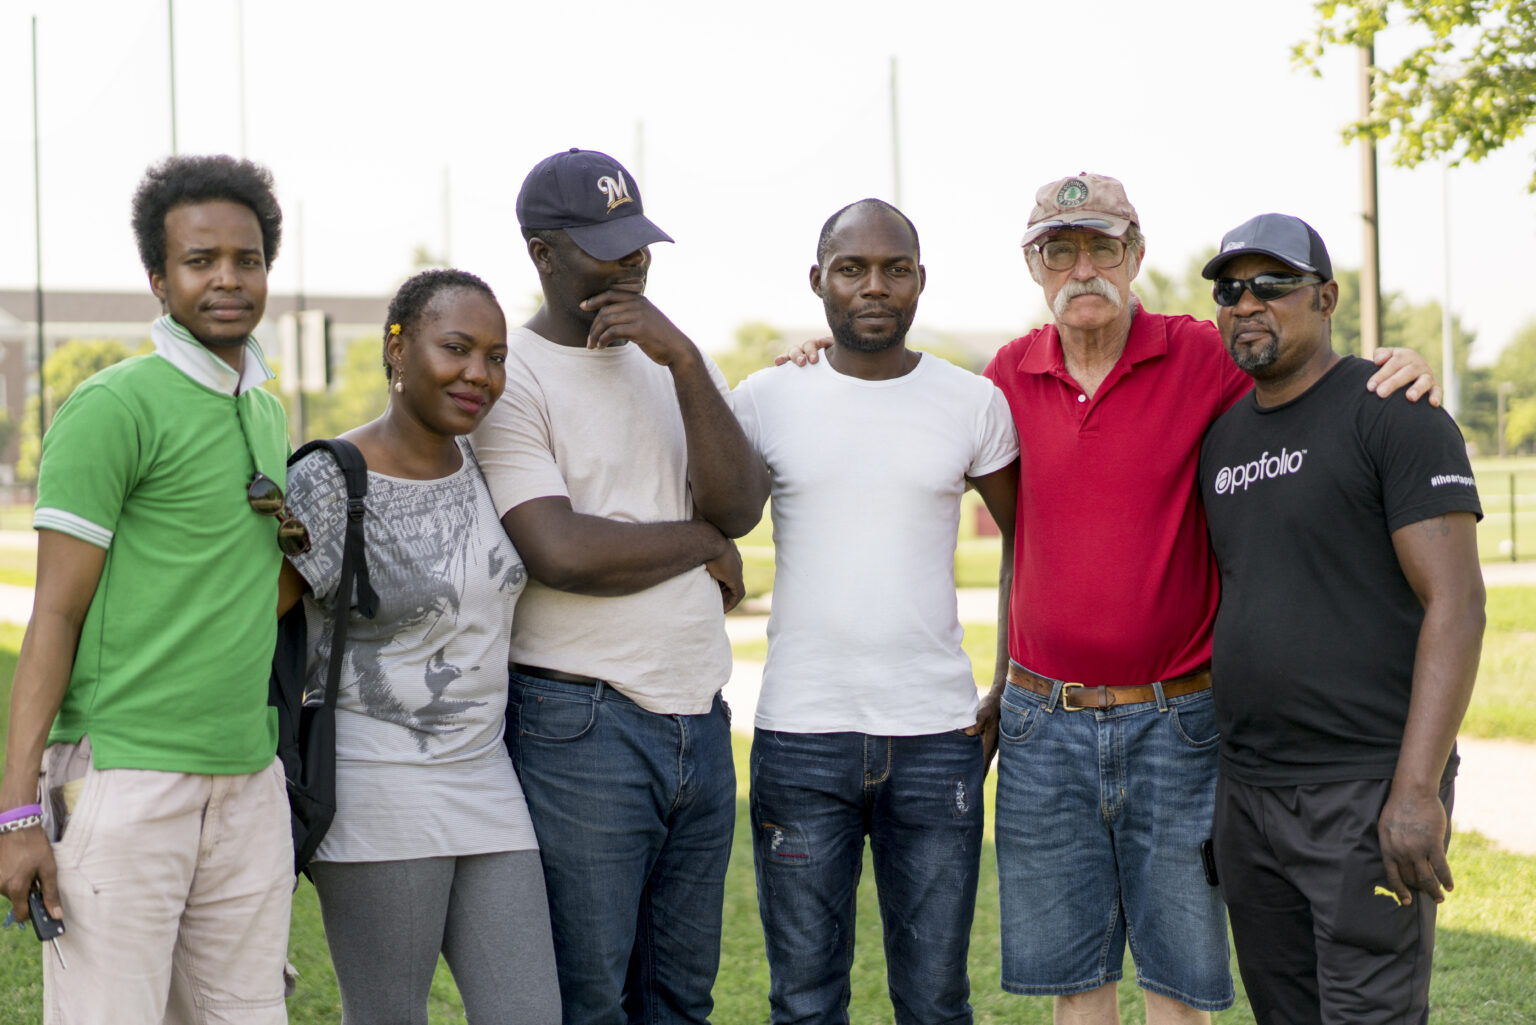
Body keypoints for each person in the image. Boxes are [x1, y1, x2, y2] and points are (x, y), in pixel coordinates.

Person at [787, 173, 1439, 1025]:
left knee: (1180, 979)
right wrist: (817, 361)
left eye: (1103, 246)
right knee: (1076, 978)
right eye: (1061, 250)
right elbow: (1024, 540)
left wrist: (1391, 366)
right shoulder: (1005, 378)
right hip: (1041, 725)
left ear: (1135, 255)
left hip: (1179, 720)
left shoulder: (1202, 354)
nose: (1082, 267)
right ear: (1035, 266)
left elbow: (1299, 372)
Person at [469, 148, 768, 1025]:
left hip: (700, 720)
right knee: (588, 996)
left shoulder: (668, 359)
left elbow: (740, 505)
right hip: (580, 722)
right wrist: (698, 539)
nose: (632, 262)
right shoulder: (507, 375)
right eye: (607, 245)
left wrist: (680, 360)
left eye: (638, 242)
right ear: (544, 253)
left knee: (681, 997)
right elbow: (559, 549)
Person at [0, 155, 293, 1023]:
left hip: (248, 780)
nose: (228, 279)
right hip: (125, 777)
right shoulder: (111, 407)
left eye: (247, 259)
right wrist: (18, 810)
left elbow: (243, 587)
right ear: (160, 280)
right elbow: (52, 612)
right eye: (201, 261)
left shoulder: (267, 411)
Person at [732, 199, 1017, 1024]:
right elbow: (713, 515)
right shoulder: (765, 397)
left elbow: (1027, 544)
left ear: (921, 281)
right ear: (818, 279)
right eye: (852, 268)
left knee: (933, 998)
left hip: (937, 740)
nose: (874, 286)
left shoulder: (972, 402)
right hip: (800, 734)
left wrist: (1003, 680)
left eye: (895, 268)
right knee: (806, 999)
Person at [1198, 213, 1484, 1025]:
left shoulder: (1393, 411)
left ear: (1326, 298)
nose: (1248, 303)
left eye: (1274, 285)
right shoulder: (1220, 441)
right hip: (1250, 795)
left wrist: (1417, 791)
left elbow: (1457, 605)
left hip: (1364, 790)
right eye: (1231, 289)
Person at [276, 269, 560, 1024]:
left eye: (495, 356)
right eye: (457, 348)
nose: (480, 374)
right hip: (378, 781)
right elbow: (254, 635)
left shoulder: (485, 461)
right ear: (397, 348)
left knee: (529, 1012)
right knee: (388, 1016)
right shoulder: (329, 481)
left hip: (487, 775)